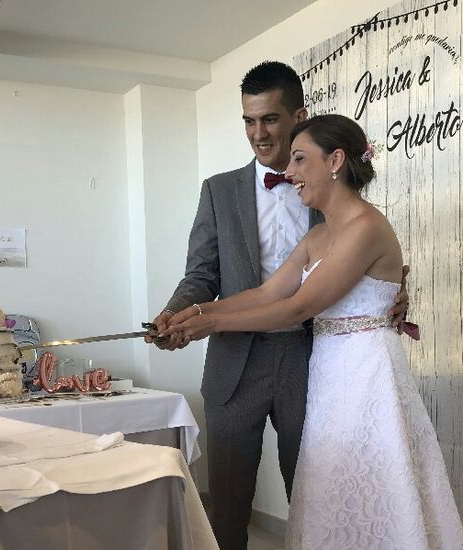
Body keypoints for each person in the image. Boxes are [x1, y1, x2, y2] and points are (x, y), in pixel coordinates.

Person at [165, 114, 463, 549]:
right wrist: (193, 310)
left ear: (336, 161)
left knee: (374, 491)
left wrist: (211, 324)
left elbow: (299, 307)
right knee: (330, 491)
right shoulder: (318, 236)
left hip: (368, 377)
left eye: (300, 160)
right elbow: (268, 292)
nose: (289, 173)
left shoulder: (368, 227)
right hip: (327, 374)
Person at [148, 61, 408, 550]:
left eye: (269, 119)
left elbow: (328, 287)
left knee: (313, 490)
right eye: (248, 121)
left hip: (313, 360)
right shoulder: (218, 190)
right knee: (226, 500)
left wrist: (394, 293)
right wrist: (184, 314)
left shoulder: (335, 196)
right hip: (235, 359)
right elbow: (205, 275)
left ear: (298, 117)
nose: (258, 133)